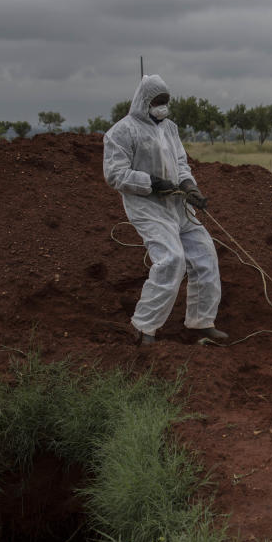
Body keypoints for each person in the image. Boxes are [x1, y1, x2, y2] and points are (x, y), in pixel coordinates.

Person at [103, 74, 227, 345]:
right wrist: (152, 183)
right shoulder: (122, 131)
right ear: (144, 101)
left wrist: (190, 187)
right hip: (148, 207)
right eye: (158, 101)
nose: (163, 106)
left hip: (178, 205)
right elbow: (114, 174)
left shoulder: (169, 128)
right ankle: (144, 327)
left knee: (205, 256)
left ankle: (201, 323)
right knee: (171, 259)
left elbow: (181, 162)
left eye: (166, 101)